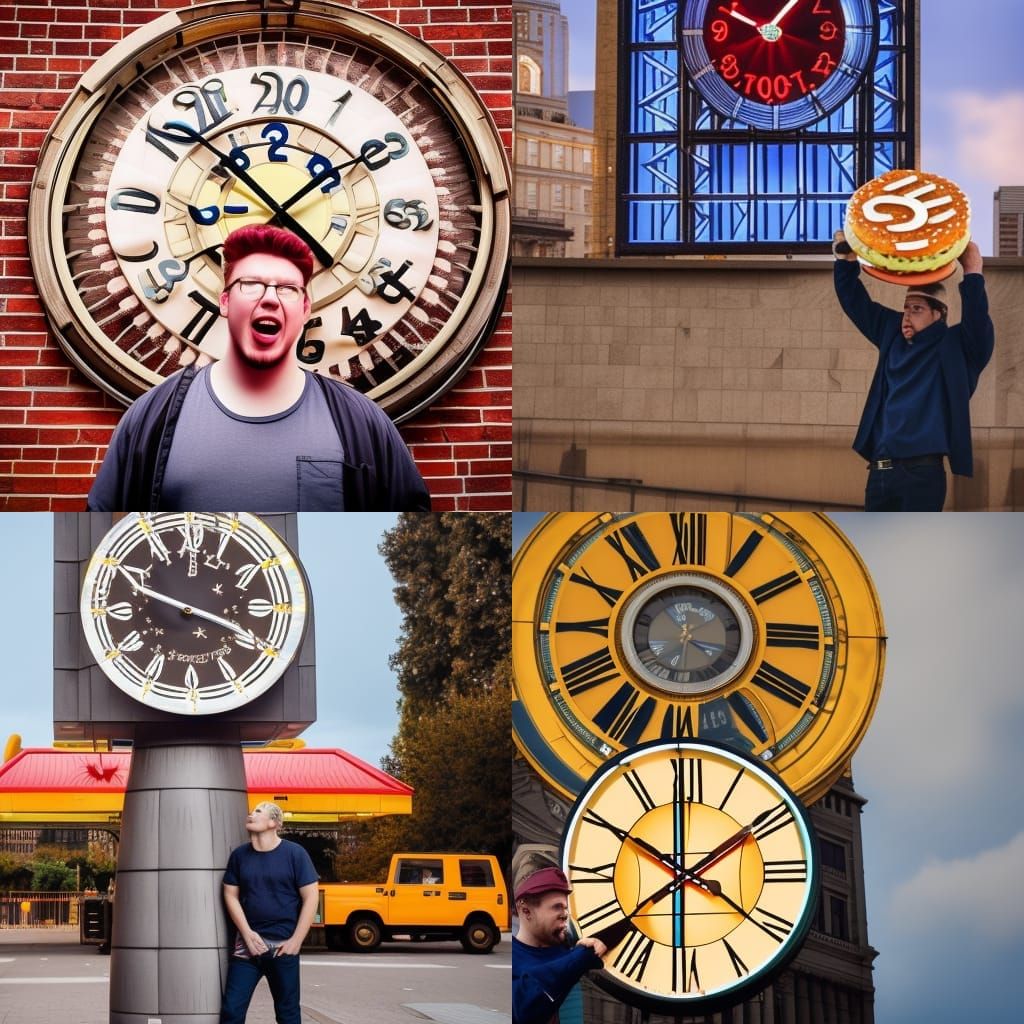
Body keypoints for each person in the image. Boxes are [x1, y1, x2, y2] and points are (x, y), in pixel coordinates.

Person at [87, 224, 431, 511]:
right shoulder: (151, 419)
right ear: (225, 301)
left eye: (287, 288)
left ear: (305, 308)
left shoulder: (362, 423)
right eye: (250, 285)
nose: (270, 298)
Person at [833, 230, 994, 511]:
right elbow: (855, 303)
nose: (906, 316)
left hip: (922, 474)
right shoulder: (891, 333)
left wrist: (973, 272)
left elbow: (979, 325)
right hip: (879, 473)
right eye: (905, 308)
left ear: (939, 315)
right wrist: (846, 261)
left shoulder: (955, 345)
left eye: (917, 309)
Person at [221, 802, 319, 1024]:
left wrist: (296, 941)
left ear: (274, 823)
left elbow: (311, 897)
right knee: (231, 1012)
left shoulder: (295, 854)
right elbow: (230, 895)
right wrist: (246, 933)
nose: (251, 814)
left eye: (258, 811)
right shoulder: (239, 856)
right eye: (251, 810)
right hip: (247, 948)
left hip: (283, 948)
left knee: (288, 1014)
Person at [512, 867, 607, 1024]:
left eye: (565, 907)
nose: (565, 914)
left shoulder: (570, 951)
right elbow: (524, 1009)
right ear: (526, 911)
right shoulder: (513, 958)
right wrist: (580, 958)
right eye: (557, 907)